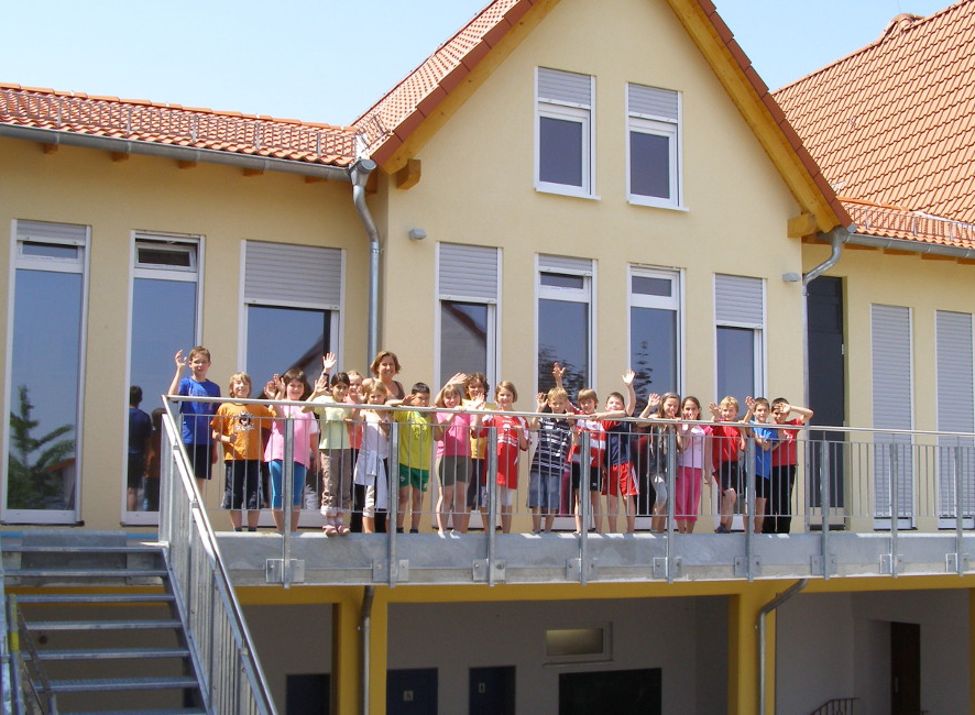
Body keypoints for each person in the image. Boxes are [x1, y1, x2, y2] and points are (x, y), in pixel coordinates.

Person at [210, 372, 273, 532]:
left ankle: (252, 530)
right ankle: (237, 530)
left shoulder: (257, 406)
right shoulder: (225, 407)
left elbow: (275, 417)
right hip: (234, 458)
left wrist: (273, 397)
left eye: (244, 384)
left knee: (254, 495)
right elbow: (215, 433)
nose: (241, 386)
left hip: (254, 457)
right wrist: (226, 439)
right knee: (234, 494)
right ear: (231, 388)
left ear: (250, 387)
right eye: (237, 383)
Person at [263, 369, 318, 533]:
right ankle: (281, 531)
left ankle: (292, 532)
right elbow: (281, 417)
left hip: (300, 456)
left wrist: (317, 454)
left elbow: (313, 434)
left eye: (299, 386)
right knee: (278, 494)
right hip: (278, 454)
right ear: (286, 387)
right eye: (292, 385)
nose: (295, 389)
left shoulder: (306, 408)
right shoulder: (280, 403)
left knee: (295, 496)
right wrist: (275, 396)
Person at [305, 367, 355, 536]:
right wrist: (316, 393)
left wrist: (355, 412)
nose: (341, 390)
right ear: (332, 387)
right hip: (328, 447)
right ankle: (330, 521)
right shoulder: (325, 401)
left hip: (345, 448)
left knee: (344, 483)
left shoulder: (347, 405)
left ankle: (340, 520)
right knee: (331, 482)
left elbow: (356, 422)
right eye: (338, 387)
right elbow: (305, 409)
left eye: (344, 387)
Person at [477, 380, 528, 534]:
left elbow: (525, 446)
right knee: (488, 497)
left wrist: (519, 432)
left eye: (508, 395)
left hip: (510, 465)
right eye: (502, 395)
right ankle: (489, 531)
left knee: (507, 499)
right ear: (497, 397)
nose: (505, 398)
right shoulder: (491, 416)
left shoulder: (520, 419)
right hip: (492, 464)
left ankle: (506, 534)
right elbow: (477, 431)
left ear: (513, 396)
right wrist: (479, 411)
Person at [168, 346, 221, 494]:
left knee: (199, 480)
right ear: (190, 364)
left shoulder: (214, 388)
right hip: (188, 439)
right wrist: (179, 370)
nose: (200, 365)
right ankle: (184, 514)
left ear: (209, 364)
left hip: (206, 441)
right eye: (197, 361)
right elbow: (172, 396)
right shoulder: (186, 383)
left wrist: (215, 448)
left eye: (204, 362)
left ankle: (194, 515)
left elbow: (216, 419)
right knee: (185, 479)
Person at [597, 371, 637, 533]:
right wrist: (602, 465)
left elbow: (630, 408)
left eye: (618, 403)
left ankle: (631, 531)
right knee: (611, 500)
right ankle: (613, 532)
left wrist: (629, 387)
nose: (614, 405)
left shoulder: (623, 417)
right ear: (606, 406)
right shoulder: (604, 421)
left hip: (625, 461)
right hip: (609, 465)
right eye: (611, 403)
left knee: (628, 497)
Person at [528, 387, 573, 534]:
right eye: (555, 403)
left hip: (556, 466)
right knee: (536, 496)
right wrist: (539, 409)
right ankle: (536, 528)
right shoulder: (545, 418)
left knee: (552, 498)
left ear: (566, 403)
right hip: (539, 464)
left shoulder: (568, 423)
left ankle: (547, 530)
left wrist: (573, 424)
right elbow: (533, 427)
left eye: (561, 403)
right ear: (550, 404)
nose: (558, 406)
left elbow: (576, 442)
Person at [766, 398, 813, 534]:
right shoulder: (768, 427)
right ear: (771, 413)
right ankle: (768, 531)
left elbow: (809, 413)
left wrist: (790, 407)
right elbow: (765, 448)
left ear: (787, 414)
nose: (779, 416)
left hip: (788, 468)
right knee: (770, 500)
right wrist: (778, 442)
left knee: (784, 500)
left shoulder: (791, 426)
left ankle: (783, 532)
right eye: (776, 413)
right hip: (771, 468)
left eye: (782, 413)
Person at [394, 382, 436, 534]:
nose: (424, 402)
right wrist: (402, 403)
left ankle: (414, 530)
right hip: (405, 462)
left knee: (418, 499)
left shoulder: (430, 417)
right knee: (403, 496)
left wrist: (435, 417)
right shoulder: (407, 412)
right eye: (420, 398)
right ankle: (398, 529)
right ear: (413, 398)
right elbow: (388, 405)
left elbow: (438, 436)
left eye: (426, 398)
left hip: (422, 465)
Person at [433, 382, 473, 535]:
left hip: (465, 457)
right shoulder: (440, 412)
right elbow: (441, 430)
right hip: (446, 456)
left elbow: (475, 427)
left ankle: (457, 531)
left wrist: (478, 411)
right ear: (443, 399)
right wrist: (453, 413)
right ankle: (442, 530)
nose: (452, 400)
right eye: (448, 397)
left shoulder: (467, 412)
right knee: (446, 494)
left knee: (461, 494)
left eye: (455, 396)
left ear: (460, 397)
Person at [353, 381, 391, 534]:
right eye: (373, 396)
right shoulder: (365, 412)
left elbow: (389, 434)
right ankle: (356, 529)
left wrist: (386, 428)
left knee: (381, 496)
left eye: (379, 396)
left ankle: (380, 531)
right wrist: (360, 403)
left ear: (384, 397)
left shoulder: (388, 414)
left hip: (383, 459)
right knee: (362, 496)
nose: (376, 399)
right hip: (366, 458)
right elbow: (355, 421)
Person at [639, 392, 680, 533]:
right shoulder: (656, 417)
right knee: (662, 496)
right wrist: (649, 407)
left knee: (667, 501)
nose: (672, 409)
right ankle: (653, 530)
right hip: (655, 464)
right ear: (663, 404)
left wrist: (678, 427)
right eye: (669, 405)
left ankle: (661, 533)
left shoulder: (676, 422)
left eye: (675, 406)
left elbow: (682, 445)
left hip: (671, 464)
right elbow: (640, 422)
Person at [567, 387, 606, 535]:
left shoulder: (601, 419)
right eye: (582, 402)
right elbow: (565, 401)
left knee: (595, 496)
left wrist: (603, 464)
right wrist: (559, 380)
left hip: (595, 464)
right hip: (579, 462)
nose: (586, 405)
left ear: (595, 403)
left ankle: (599, 530)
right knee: (579, 496)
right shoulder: (579, 416)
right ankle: (579, 529)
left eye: (589, 402)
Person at [464, 373, 496, 531]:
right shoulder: (464, 404)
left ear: (485, 389)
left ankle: (488, 533)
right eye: (472, 386)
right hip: (467, 454)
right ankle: (461, 531)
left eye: (479, 386)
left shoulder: (493, 407)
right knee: (467, 495)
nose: (476, 389)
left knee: (484, 496)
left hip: (487, 457)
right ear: (467, 389)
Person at [709, 396, 745, 533]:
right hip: (720, 464)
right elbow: (714, 423)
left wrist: (742, 431)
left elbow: (743, 446)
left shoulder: (736, 427)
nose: (727, 413)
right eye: (725, 410)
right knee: (730, 494)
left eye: (731, 411)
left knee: (730, 498)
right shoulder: (720, 423)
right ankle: (723, 526)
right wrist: (717, 415)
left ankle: (726, 529)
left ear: (736, 412)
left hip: (734, 464)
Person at [675, 396, 709, 533]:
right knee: (681, 501)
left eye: (693, 409)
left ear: (699, 410)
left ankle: (689, 533)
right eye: (687, 408)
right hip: (683, 467)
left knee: (693, 502)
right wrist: (687, 428)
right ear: (682, 410)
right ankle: (681, 532)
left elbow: (707, 451)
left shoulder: (704, 427)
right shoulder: (681, 426)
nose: (690, 411)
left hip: (697, 469)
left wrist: (707, 471)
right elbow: (683, 446)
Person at [743, 396, 777, 533]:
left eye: (764, 410)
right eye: (759, 410)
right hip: (749, 470)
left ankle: (757, 532)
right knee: (747, 504)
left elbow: (766, 446)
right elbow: (744, 425)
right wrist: (749, 411)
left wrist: (754, 436)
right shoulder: (751, 423)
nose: (762, 413)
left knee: (760, 504)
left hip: (764, 471)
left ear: (768, 412)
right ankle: (747, 532)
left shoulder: (771, 429)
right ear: (755, 412)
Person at [127, 385, 153, 512]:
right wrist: (147, 461)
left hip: (123, 455)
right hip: (137, 456)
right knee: (132, 489)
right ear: (140, 399)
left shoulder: (122, 416)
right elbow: (148, 442)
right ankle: (130, 515)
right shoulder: (144, 417)